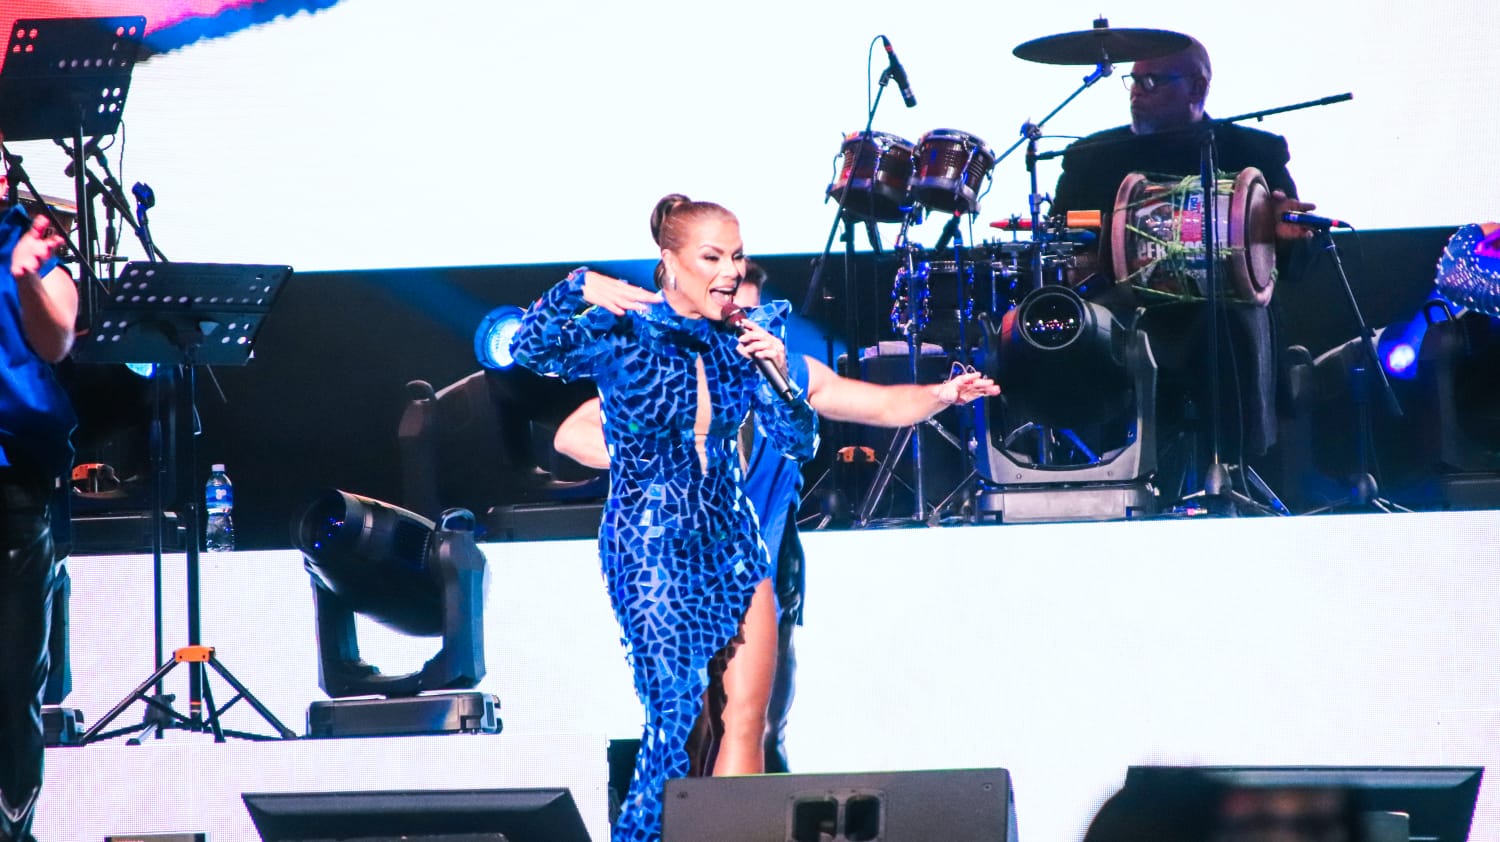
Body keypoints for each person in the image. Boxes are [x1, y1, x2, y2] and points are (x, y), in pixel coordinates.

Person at [552, 264, 998, 775]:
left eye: (750, 313)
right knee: (691, 727)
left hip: (763, 573)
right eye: (727, 312)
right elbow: (572, 436)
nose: (740, 324)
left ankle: (745, 813)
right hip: (685, 572)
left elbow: (880, 405)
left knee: (758, 725)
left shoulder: (790, 379)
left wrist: (942, 394)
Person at [509, 194, 819, 842]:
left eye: (736, 256)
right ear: (670, 262)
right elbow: (531, 348)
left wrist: (779, 373)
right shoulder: (626, 332)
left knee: (743, 719)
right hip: (651, 543)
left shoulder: (744, 339)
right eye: (712, 257)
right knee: (678, 721)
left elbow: (799, 440)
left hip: (733, 542)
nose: (730, 272)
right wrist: (575, 287)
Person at [1049, 36, 1316, 481]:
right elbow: (1059, 248)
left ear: (1196, 87)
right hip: (1121, 307)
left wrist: (1286, 239)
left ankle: (1228, 473)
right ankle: (1101, 475)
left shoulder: (1252, 152)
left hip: (1226, 312)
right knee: (1083, 327)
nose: (1137, 92)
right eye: (1133, 80)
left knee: (1226, 323)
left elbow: (1297, 266)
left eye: (1151, 81)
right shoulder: (1090, 158)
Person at [1, 153, 75, 842]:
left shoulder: (30, 241)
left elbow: (57, 340)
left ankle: (14, 828)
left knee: (13, 678)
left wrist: (27, 278)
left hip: (14, 488)